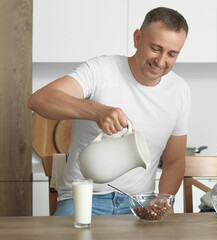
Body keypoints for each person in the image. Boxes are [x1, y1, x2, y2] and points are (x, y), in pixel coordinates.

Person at [28, 7, 190, 215]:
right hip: (84, 200)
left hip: (138, 204)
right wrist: (96, 111)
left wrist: (162, 199)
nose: (161, 61)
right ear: (137, 38)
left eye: (172, 54)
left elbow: (174, 160)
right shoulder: (101, 70)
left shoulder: (179, 91)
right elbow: (39, 100)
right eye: (155, 48)